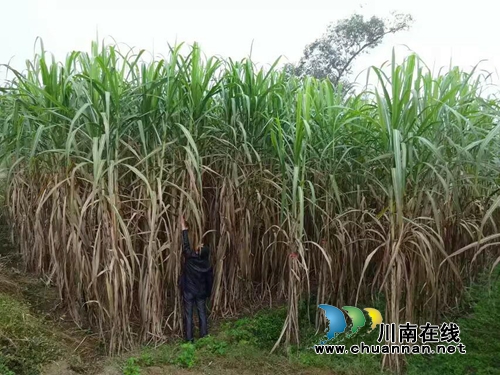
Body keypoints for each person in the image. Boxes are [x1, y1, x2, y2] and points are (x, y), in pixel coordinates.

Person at [179, 216, 213, 343]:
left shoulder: (190, 258)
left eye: (201, 246)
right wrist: (207, 292)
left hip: (188, 291)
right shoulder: (207, 265)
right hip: (201, 292)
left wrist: (184, 229)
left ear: (198, 251)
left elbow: (185, 246)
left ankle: (189, 339)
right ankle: (204, 336)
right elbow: (210, 279)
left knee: (188, 315)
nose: (200, 244)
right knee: (202, 313)